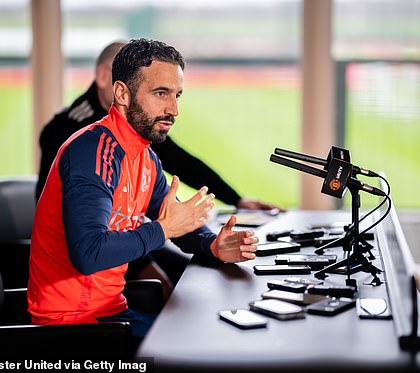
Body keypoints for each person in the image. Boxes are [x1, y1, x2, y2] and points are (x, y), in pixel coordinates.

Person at [28, 38, 259, 339]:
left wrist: (213, 244)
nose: (174, 109)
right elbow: (88, 254)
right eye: (161, 93)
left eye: (177, 95)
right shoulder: (92, 152)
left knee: (206, 334)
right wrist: (163, 230)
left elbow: (176, 218)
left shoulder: (145, 157)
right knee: (200, 345)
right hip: (70, 326)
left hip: (111, 311)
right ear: (122, 93)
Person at [36, 41, 280, 211]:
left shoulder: (138, 124)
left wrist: (235, 200)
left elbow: (179, 161)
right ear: (106, 78)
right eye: (160, 92)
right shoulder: (71, 133)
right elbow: (90, 234)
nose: (173, 110)